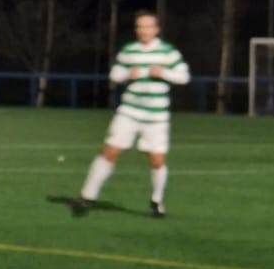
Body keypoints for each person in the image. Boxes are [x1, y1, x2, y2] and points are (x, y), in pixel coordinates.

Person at [72, 11, 189, 218]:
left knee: (156, 160)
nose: (144, 30)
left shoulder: (167, 52)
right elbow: (115, 74)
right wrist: (127, 74)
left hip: (156, 117)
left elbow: (184, 76)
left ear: (156, 29)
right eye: (140, 26)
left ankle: (156, 201)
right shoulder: (129, 50)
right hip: (129, 112)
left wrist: (163, 73)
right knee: (110, 151)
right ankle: (86, 196)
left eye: (148, 26)